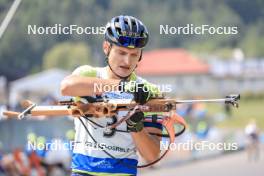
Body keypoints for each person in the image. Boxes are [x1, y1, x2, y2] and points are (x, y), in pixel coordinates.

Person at [61, 15, 163, 176]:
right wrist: (122, 86)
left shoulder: (149, 90)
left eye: (134, 55)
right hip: (84, 170)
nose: (127, 61)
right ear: (106, 48)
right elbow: (66, 87)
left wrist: (136, 126)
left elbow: (152, 156)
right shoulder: (88, 74)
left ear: (140, 56)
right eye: (121, 53)